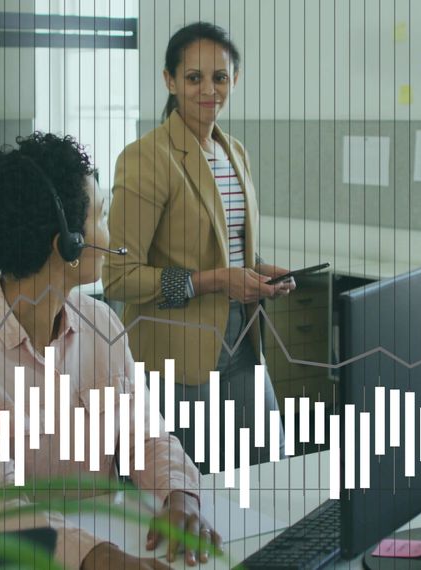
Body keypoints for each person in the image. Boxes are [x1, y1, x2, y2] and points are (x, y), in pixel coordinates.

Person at [0, 133, 218, 570]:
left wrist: (180, 494)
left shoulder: (102, 324)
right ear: (68, 243)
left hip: (100, 538)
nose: (110, 234)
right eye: (101, 215)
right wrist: (101, 558)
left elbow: (146, 437)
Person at [102, 22, 293, 467]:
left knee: (271, 464)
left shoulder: (235, 153)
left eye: (219, 77)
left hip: (241, 340)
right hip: (177, 354)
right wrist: (215, 281)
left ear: (234, 80)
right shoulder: (146, 158)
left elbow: (226, 247)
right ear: (169, 80)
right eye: (193, 78)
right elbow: (118, 277)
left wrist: (260, 271)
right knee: (189, 485)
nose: (208, 90)